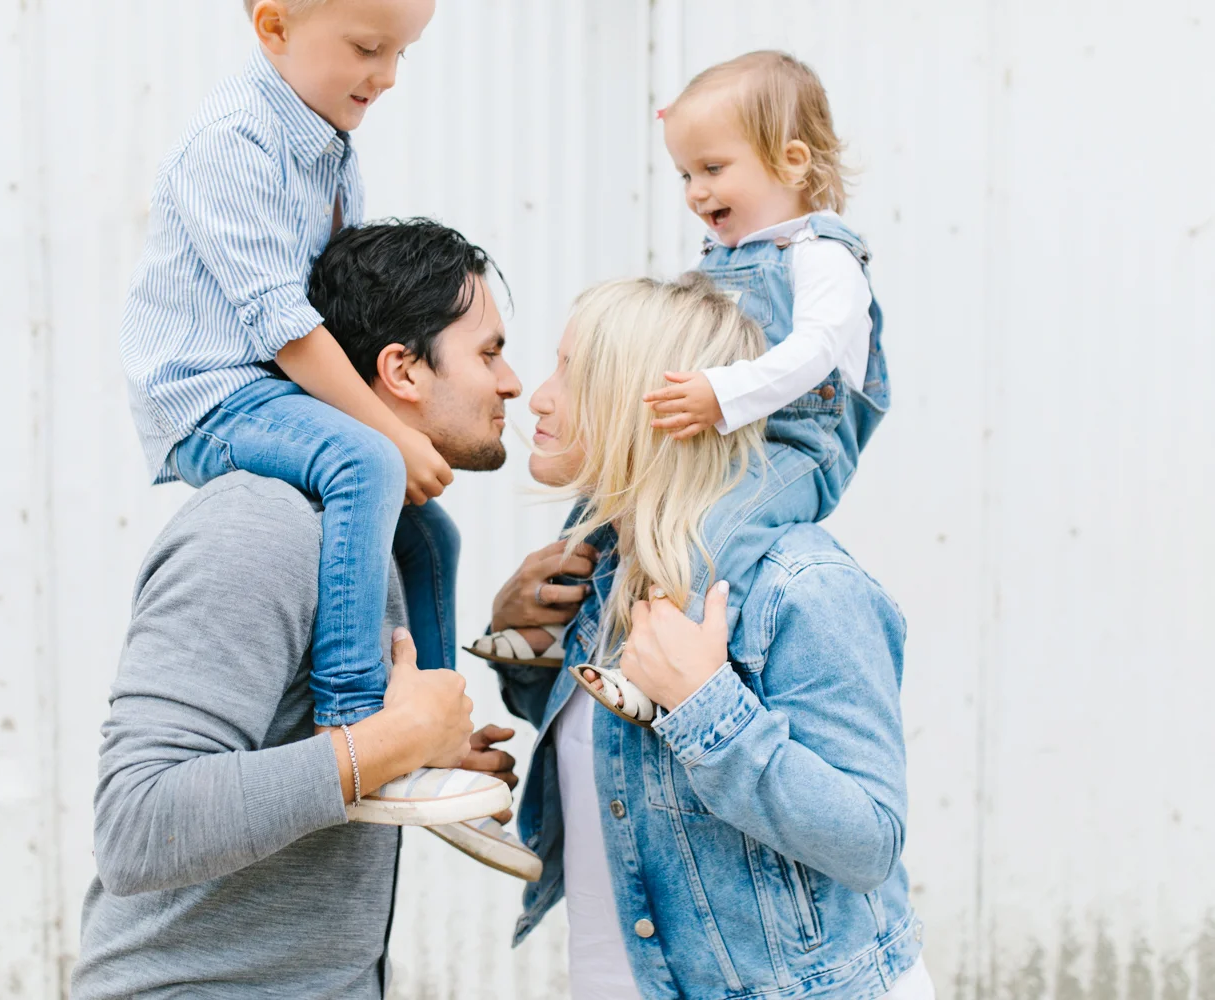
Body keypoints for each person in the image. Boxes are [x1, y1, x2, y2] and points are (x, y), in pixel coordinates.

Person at [72, 220, 534, 1000]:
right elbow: (137, 826)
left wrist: (419, 752)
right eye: (488, 352)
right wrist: (388, 743)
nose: (513, 382)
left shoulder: (385, 537)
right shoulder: (261, 527)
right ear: (403, 371)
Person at [486, 274, 933, 998]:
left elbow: (870, 841)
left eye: (573, 372)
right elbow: (620, 766)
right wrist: (522, 643)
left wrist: (707, 706)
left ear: (649, 406)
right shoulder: (606, 570)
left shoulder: (803, 587)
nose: (538, 396)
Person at [117, 0, 488, 818]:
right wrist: (387, 428)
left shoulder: (328, 146)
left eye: (402, 54)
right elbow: (285, 324)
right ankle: (355, 719)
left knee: (430, 531)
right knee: (365, 461)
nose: (386, 76)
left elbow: (337, 305)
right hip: (208, 392)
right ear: (274, 25)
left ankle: (431, 724)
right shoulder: (231, 144)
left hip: (272, 390)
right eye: (367, 47)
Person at [468, 51, 890, 731]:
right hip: (724, 423)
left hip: (794, 443)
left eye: (713, 170)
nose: (696, 192)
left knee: (710, 537)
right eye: (686, 174)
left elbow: (813, 355)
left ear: (792, 161)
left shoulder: (823, 257)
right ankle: (550, 641)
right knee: (595, 518)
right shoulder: (720, 257)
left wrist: (722, 392)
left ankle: (659, 674)